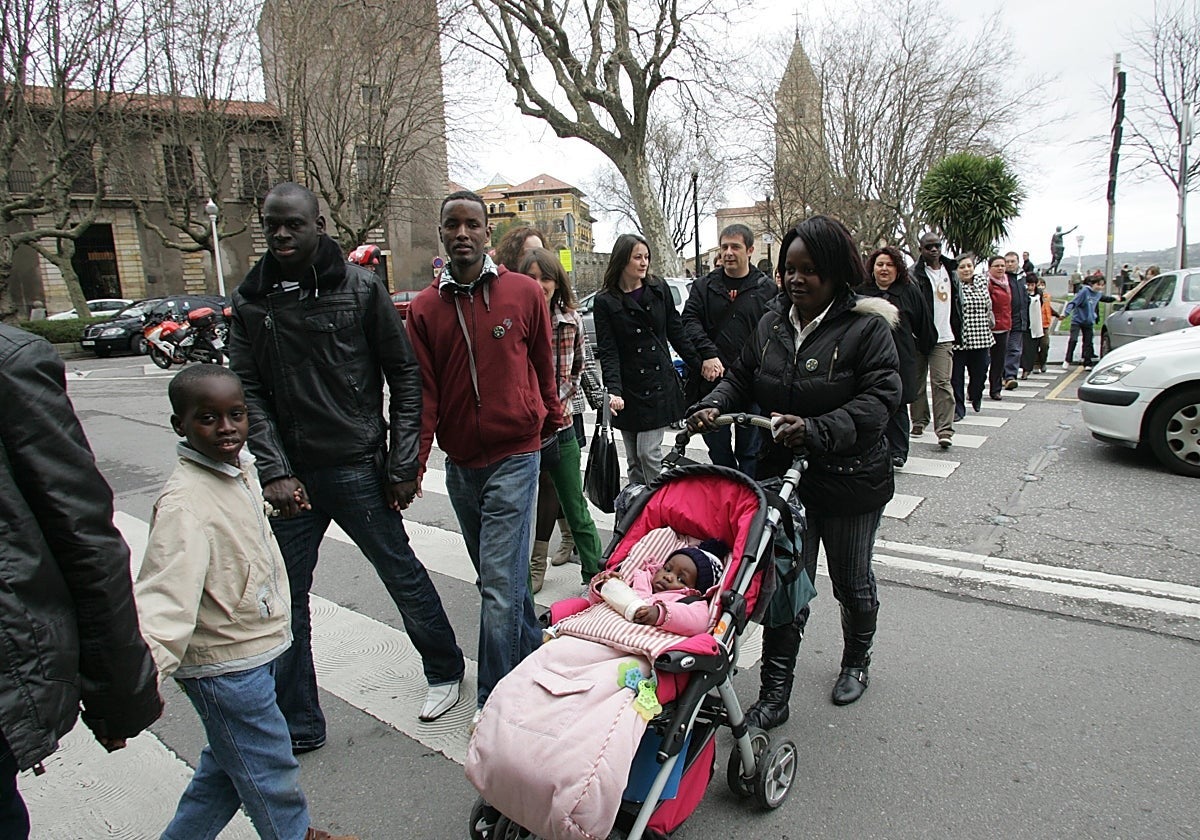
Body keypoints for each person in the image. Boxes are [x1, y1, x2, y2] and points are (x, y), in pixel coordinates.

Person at [229, 182, 466, 753]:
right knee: (287, 599)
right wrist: (274, 470)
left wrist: (403, 464)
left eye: (293, 224)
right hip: (293, 479)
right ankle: (300, 722)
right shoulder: (252, 299)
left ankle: (444, 669)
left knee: (401, 575)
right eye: (271, 225)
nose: (281, 234)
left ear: (318, 225)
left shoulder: (360, 288)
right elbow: (247, 391)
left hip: (359, 467)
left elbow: (404, 375)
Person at [688, 215, 902, 720]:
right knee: (786, 587)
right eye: (790, 269)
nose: (797, 279)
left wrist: (816, 428)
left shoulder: (868, 328)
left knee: (851, 581)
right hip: (786, 481)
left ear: (837, 272)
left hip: (850, 481)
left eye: (810, 270)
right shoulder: (771, 324)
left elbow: (879, 401)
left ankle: (856, 661)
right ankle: (774, 698)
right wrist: (715, 403)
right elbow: (741, 377)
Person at [135, 366, 355, 840]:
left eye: (236, 415)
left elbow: (238, 538)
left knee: (226, 769)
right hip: (224, 664)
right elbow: (164, 601)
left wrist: (275, 505)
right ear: (179, 425)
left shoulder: (238, 472)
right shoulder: (184, 504)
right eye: (207, 418)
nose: (226, 428)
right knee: (269, 769)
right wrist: (140, 685)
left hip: (253, 649)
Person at [0, 324, 163, 840]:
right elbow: (83, 536)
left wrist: (119, 698)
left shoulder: (10, 364)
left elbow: (81, 535)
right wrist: (121, 701)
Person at [407, 190, 562, 722]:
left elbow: (542, 363)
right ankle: (535, 656)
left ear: (487, 232)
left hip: (517, 454)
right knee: (501, 582)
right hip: (462, 465)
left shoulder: (523, 293)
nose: (463, 233)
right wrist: (416, 462)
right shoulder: (424, 309)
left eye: (472, 224)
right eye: (453, 224)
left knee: (499, 586)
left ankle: (493, 701)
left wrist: (550, 416)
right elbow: (424, 394)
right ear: (441, 233)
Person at [518, 247, 604, 591]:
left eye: (546, 277)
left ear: (557, 282)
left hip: (561, 423)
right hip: (522, 430)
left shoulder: (570, 320)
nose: (539, 284)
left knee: (574, 504)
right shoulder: (513, 319)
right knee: (521, 511)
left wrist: (552, 407)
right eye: (531, 277)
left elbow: (578, 369)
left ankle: (595, 575)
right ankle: (526, 575)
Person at [593, 233, 699, 486]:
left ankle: (660, 503)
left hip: (658, 383)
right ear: (622, 260)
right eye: (637, 257)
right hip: (628, 389)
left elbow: (676, 331)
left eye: (646, 257)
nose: (644, 262)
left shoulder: (658, 288)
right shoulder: (605, 301)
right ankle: (637, 503)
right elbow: (608, 350)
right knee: (633, 460)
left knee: (647, 453)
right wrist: (614, 390)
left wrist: (699, 362)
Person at [681, 223, 777, 477]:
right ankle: (727, 491)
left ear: (750, 250)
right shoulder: (703, 286)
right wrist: (708, 354)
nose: (728, 253)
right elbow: (689, 320)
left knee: (750, 452)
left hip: (751, 383)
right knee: (718, 450)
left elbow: (775, 332)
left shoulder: (766, 289)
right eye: (724, 247)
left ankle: (747, 494)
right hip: (711, 383)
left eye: (735, 247)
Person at [860, 245, 934, 468]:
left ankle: (898, 451)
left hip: (900, 356)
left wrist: (923, 349)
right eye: (880, 264)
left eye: (890, 265)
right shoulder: (861, 291)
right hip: (867, 357)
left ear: (898, 268)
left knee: (898, 404)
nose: (884, 269)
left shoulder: (909, 291)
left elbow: (924, 326)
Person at [587, 541, 728, 635]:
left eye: (681, 579)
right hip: (600, 628)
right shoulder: (639, 578)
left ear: (695, 590)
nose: (668, 577)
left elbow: (699, 623)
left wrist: (660, 614)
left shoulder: (690, 601)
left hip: (637, 642)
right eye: (667, 569)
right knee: (578, 605)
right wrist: (604, 586)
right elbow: (597, 604)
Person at [909, 232, 962, 449]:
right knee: (917, 382)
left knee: (942, 383)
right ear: (921, 250)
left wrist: (959, 328)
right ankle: (919, 421)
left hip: (944, 336)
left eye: (937, 246)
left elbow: (958, 301)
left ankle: (945, 430)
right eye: (928, 246)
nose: (933, 250)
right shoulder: (914, 274)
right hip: (919, 337)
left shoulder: (951, 271)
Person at [950, 255, 995, 419]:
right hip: (959, 339)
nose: (966, 270)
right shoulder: (952, 286)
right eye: (962, 267)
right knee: (956, 378)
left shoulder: (982, 282)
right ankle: (958, 409)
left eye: (969, 266)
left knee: (980, 373)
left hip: (981, 337)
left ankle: (976, 395)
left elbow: (989, 307)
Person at [1062, 275, 1119, 368]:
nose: (1100, 287)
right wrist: (1066, 313)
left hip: (1089, 321)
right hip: (1077, 320)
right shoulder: (1084, 291)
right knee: (1073, 339)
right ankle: (1067, 360)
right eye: (1098, 284)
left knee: (1088, 342)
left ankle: (1087, 362)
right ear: (1092, 284)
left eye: (1102, 285)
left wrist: (1117, 298)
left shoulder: (1098, 294)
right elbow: (1073, 302)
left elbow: (1106, 299)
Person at [1001, 251, 1030, 389]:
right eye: (1007, 262)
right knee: (1002, 349)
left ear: (1018, 262)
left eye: (1012, 261)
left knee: (1014, 349)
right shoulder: (1002, 279)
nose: (1010, 264)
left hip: (1019, 321)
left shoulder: (1023, 278)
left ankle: (1010, 376)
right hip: (1003, 321)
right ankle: (1001, 375)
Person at [985, 256, 1013, 400]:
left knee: (999, 361)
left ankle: (995, 389)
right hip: (988, 328)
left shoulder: (1007, 283)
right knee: (982, 362)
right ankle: (975, 388)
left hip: (1004, 327)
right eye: (997, 266)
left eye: (1002, 265)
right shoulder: (986, 283)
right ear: (990, 268)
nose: (1000, 268)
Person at [1020, 274, 1046, 379]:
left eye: (1032, 285)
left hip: (1034, 325)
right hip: (1023, 323)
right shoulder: (1022, 294)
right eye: (1028, 285)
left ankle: (1027, 369)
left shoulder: (1039, 295)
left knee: (1031, 349)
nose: (1030, 287)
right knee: (1022, 348)